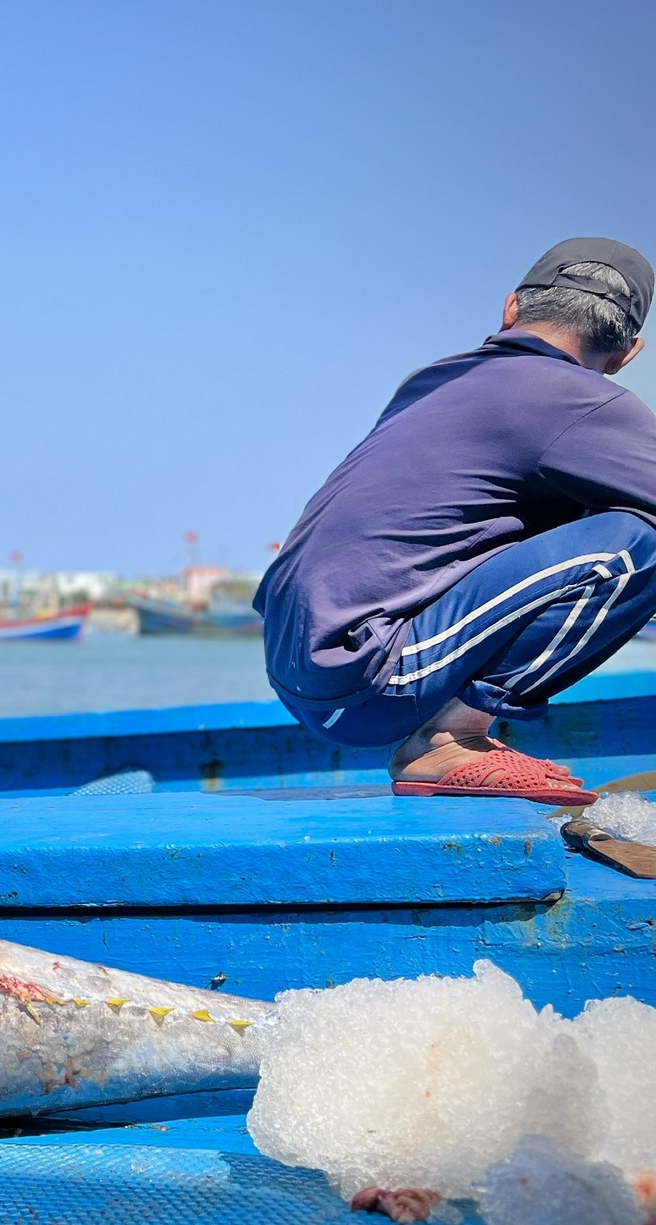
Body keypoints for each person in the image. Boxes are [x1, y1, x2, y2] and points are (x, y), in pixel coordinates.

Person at [257, 237, 656, 806]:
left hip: (303, 678)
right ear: (626, 355)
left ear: (512, 308)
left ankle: (448, 728)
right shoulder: (585, 403)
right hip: (371, 680)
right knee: (639, 543)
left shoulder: (435, 379)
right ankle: (450, 739)